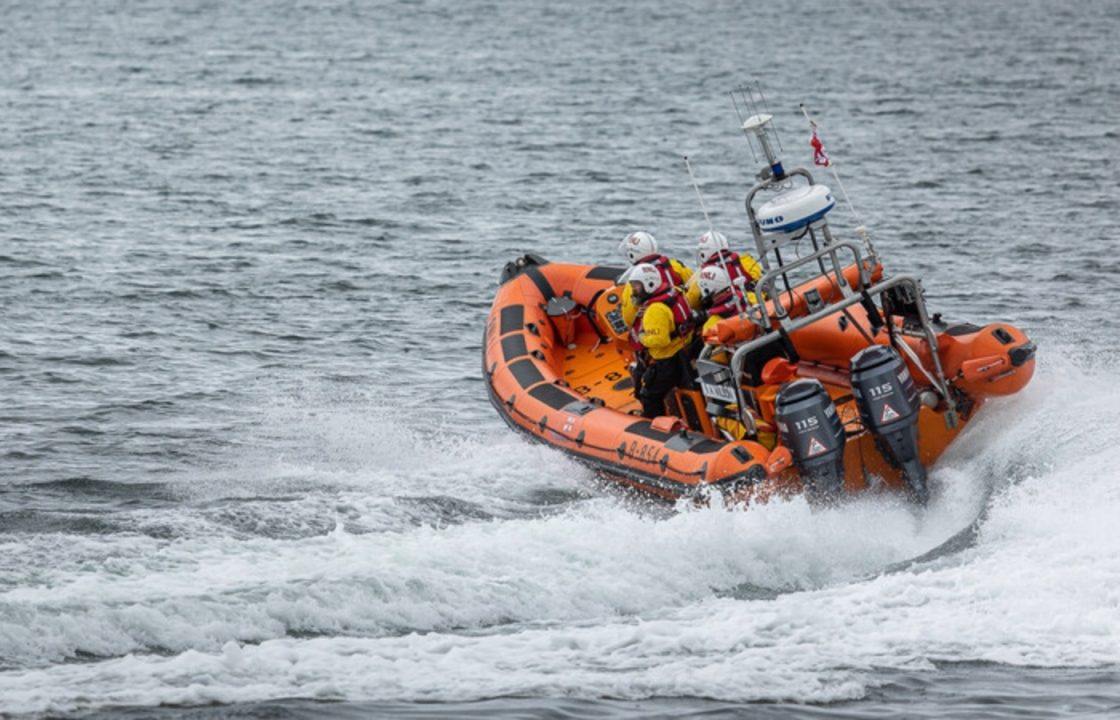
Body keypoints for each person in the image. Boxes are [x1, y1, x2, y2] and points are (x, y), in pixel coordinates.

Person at [626, 263, 698, 418]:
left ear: (649, 284)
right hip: (682, 351)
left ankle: (654, 427)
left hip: (666, 361)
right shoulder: (674, 294)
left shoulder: (655, 310)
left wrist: (642, 337)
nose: (634, 290)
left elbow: (660, 340)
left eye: (637, 286)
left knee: (649, 395)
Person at [617, 232, 699, 324]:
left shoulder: (634, 283)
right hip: (684, 319)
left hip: (657, 325)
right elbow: (694, 284)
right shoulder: (674, 265)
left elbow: (629, 319)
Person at [692, 230, 763, 296]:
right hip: (751, 297)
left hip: (728, 304)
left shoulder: (703, 274)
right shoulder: (742, 260)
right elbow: (756, 275)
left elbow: (692, 299)